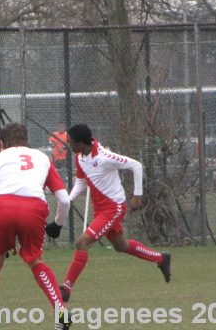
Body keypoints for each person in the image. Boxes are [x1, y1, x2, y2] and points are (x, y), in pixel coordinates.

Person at [0, 123, 71, 330]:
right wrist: (58, 224)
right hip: (34, 207)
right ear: (26, 140)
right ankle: (60, 312)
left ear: (2, 143)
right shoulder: (43, 159)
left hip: (3, 206)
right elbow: (65, 200)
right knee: (35, 259)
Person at [56, 124, 171, 303]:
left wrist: (137, 195)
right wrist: (67, 200)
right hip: (100, 210)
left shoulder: (104, 157)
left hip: (114, 208)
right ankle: (161, 259)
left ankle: (66, 289)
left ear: (79, 143)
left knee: (82, 242)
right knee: (121, 246)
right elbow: (81, 182)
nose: (67, 145)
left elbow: (136, 165)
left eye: (69, 141)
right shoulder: (79, 158)